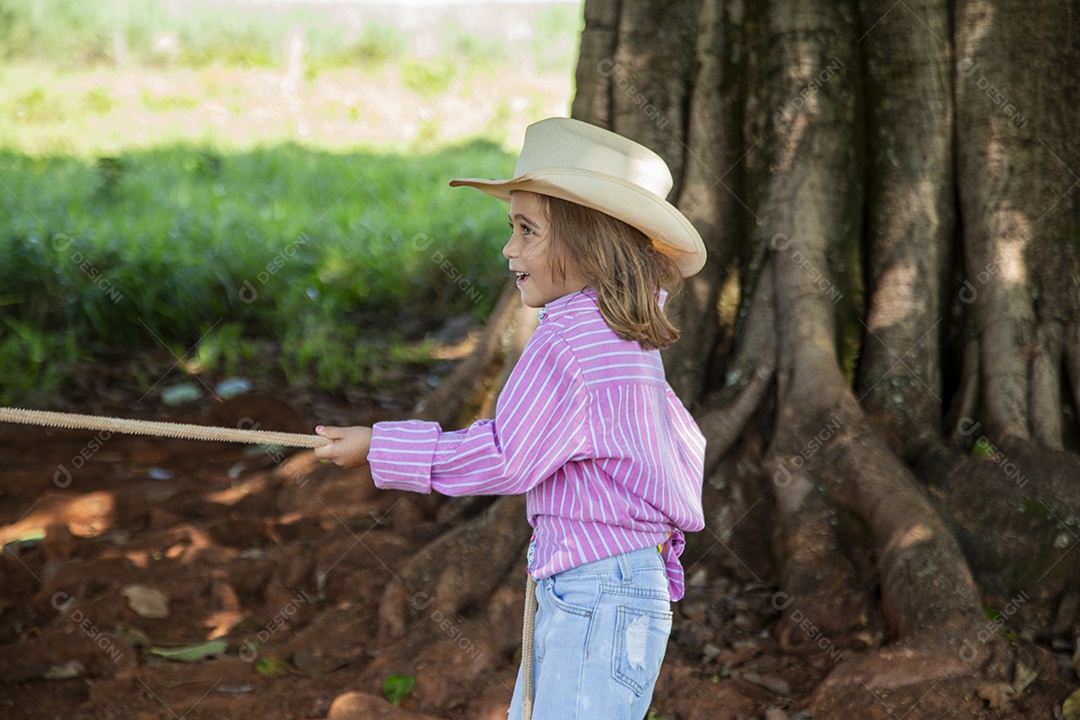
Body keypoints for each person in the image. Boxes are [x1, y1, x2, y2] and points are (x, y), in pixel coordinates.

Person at [315, 117, 707, 720]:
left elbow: (505, 456)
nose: (509, 248)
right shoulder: (625, 337)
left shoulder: (571, 342)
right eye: (511, 227)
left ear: (587, 242)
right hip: (615, 584)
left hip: (595, 592)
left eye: (528, 231)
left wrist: (378, 446)